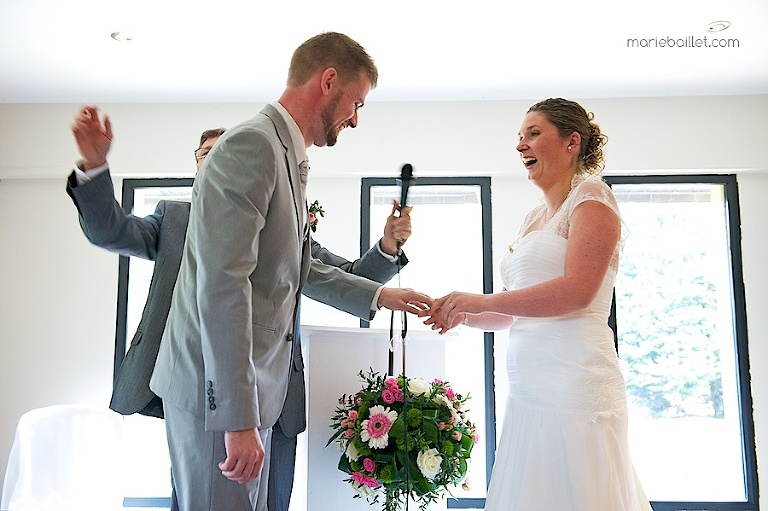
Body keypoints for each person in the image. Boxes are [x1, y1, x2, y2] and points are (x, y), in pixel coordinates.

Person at [67, 105, 418, 511]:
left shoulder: (281, 218)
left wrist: (389, 247)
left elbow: (343, 274)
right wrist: (94, 167)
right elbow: (111, 230)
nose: (217, 159)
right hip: (200, 390)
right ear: (197, 167)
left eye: (225, 152)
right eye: (206, 154)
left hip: (276, 391)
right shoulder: (176, 220)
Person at [149, 32, 432, 511]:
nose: (356, 120)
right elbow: (222, 285)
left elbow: (298, 270)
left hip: (253, 390)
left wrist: (381, 297)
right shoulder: (252, 147)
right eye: (356, 103)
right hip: (214, 398)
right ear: (327, 81)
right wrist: (237, 420)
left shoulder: (286, 154)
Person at [422, 98, 651, 510]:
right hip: (530, 386)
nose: (520, 145)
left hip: (575, 378)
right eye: (519, 137)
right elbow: (511, 314)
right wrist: (462, 313)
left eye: (533, 134)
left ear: (571, 142)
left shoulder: (592, 197)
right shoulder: (531, 219)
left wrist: (480, 298)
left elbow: (577, 291)